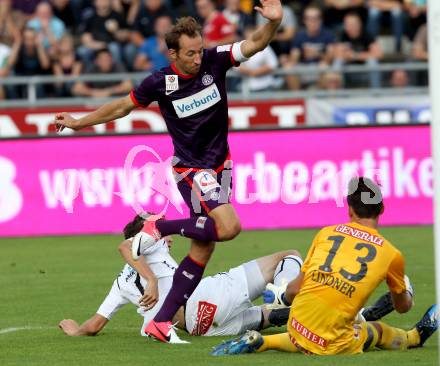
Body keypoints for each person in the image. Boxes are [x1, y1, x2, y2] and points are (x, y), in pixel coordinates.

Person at [54, 0, 284, 344]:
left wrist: (274, 23)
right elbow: (121, 106)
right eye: (190, 53)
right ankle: (156, 227)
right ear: (173, 54)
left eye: (199, 49)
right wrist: (78, 122)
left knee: (203, 248)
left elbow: (255, 43)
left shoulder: (215, 60)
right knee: (230, 226)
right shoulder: (160, 82)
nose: (197, 57)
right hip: (191, 168)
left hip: (221, 164)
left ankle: (160, 323)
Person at [211, 177, 439, 356]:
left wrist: (285, 299)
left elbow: (293, 291)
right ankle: (414, 337)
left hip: (297, 326)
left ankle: (263, 341)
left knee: (305, 333)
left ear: (350, 210)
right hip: (334, 341)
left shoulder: (326, 233)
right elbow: (402, 307)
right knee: (375, 332)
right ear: (381, 210)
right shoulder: (391, 254)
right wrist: (406, 292)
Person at [59, 214, 303, 338]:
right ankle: (281, 290)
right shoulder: (149, 244)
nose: (169, 237)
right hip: (209, 296)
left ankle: (290, 312)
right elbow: (125, 247)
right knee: (289, 256)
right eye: (161, 231)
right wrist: (152, 281)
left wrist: (75, 330)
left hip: (203, 328)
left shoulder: (120, 284)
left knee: (271, 317)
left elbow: (94, 325)